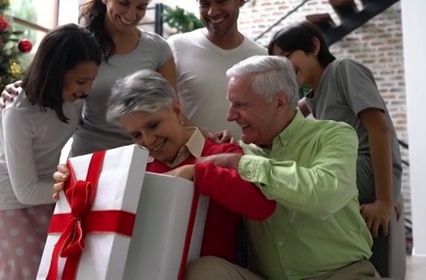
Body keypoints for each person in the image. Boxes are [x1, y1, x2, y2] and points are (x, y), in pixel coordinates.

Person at [52, 70, 276, 264]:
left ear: (177, 111)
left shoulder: (222, 155)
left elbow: (262, 207)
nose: (149, 141)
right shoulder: (133, 169)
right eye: (136, 135)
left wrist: (196, 171)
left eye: (153, 125)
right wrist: (70, 184)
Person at [185, 55, 378, 280]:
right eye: (231, 103)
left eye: (241, 104)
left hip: (341, 274)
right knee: (205, 270)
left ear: (279, 102)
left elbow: (325, 195)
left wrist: (241, 164)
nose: (229, 116)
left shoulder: (334, 134)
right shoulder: (239, 150)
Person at [0, 0, 176, 156]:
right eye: (123, 3)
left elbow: (173, 112)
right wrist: (15, 92)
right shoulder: (79, 44)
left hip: (142, 157)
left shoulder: (158, 48)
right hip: (88, 155)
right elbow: (44, 82)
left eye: (141, 7)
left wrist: (204, 138)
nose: (132, 14)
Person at [268, 21, 403, 277]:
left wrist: (385, 200)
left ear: (314, 46)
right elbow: (286, 116)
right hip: (354, 169)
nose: (284, 67)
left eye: (287, 56)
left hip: (367, 165)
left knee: (300, 175)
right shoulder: (313, 96)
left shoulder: (343, 69)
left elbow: (380, 129)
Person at [0, 24, 101, 280]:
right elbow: (24, 191)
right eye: (81, 81)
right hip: (8, 200)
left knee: (56, 273)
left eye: (92, 79)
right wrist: (79, 189)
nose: (87, 88)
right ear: (55, 73)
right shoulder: (18, 112)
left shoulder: (75, 98)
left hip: (47, 194)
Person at [168, 0, 267, 139]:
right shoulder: (176, 47)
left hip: (248, 162)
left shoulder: (261, 57)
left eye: (221, 1)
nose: (213, 12)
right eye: (204, 3)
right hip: (192, 162)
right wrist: (206, 139)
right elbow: (164, 109)